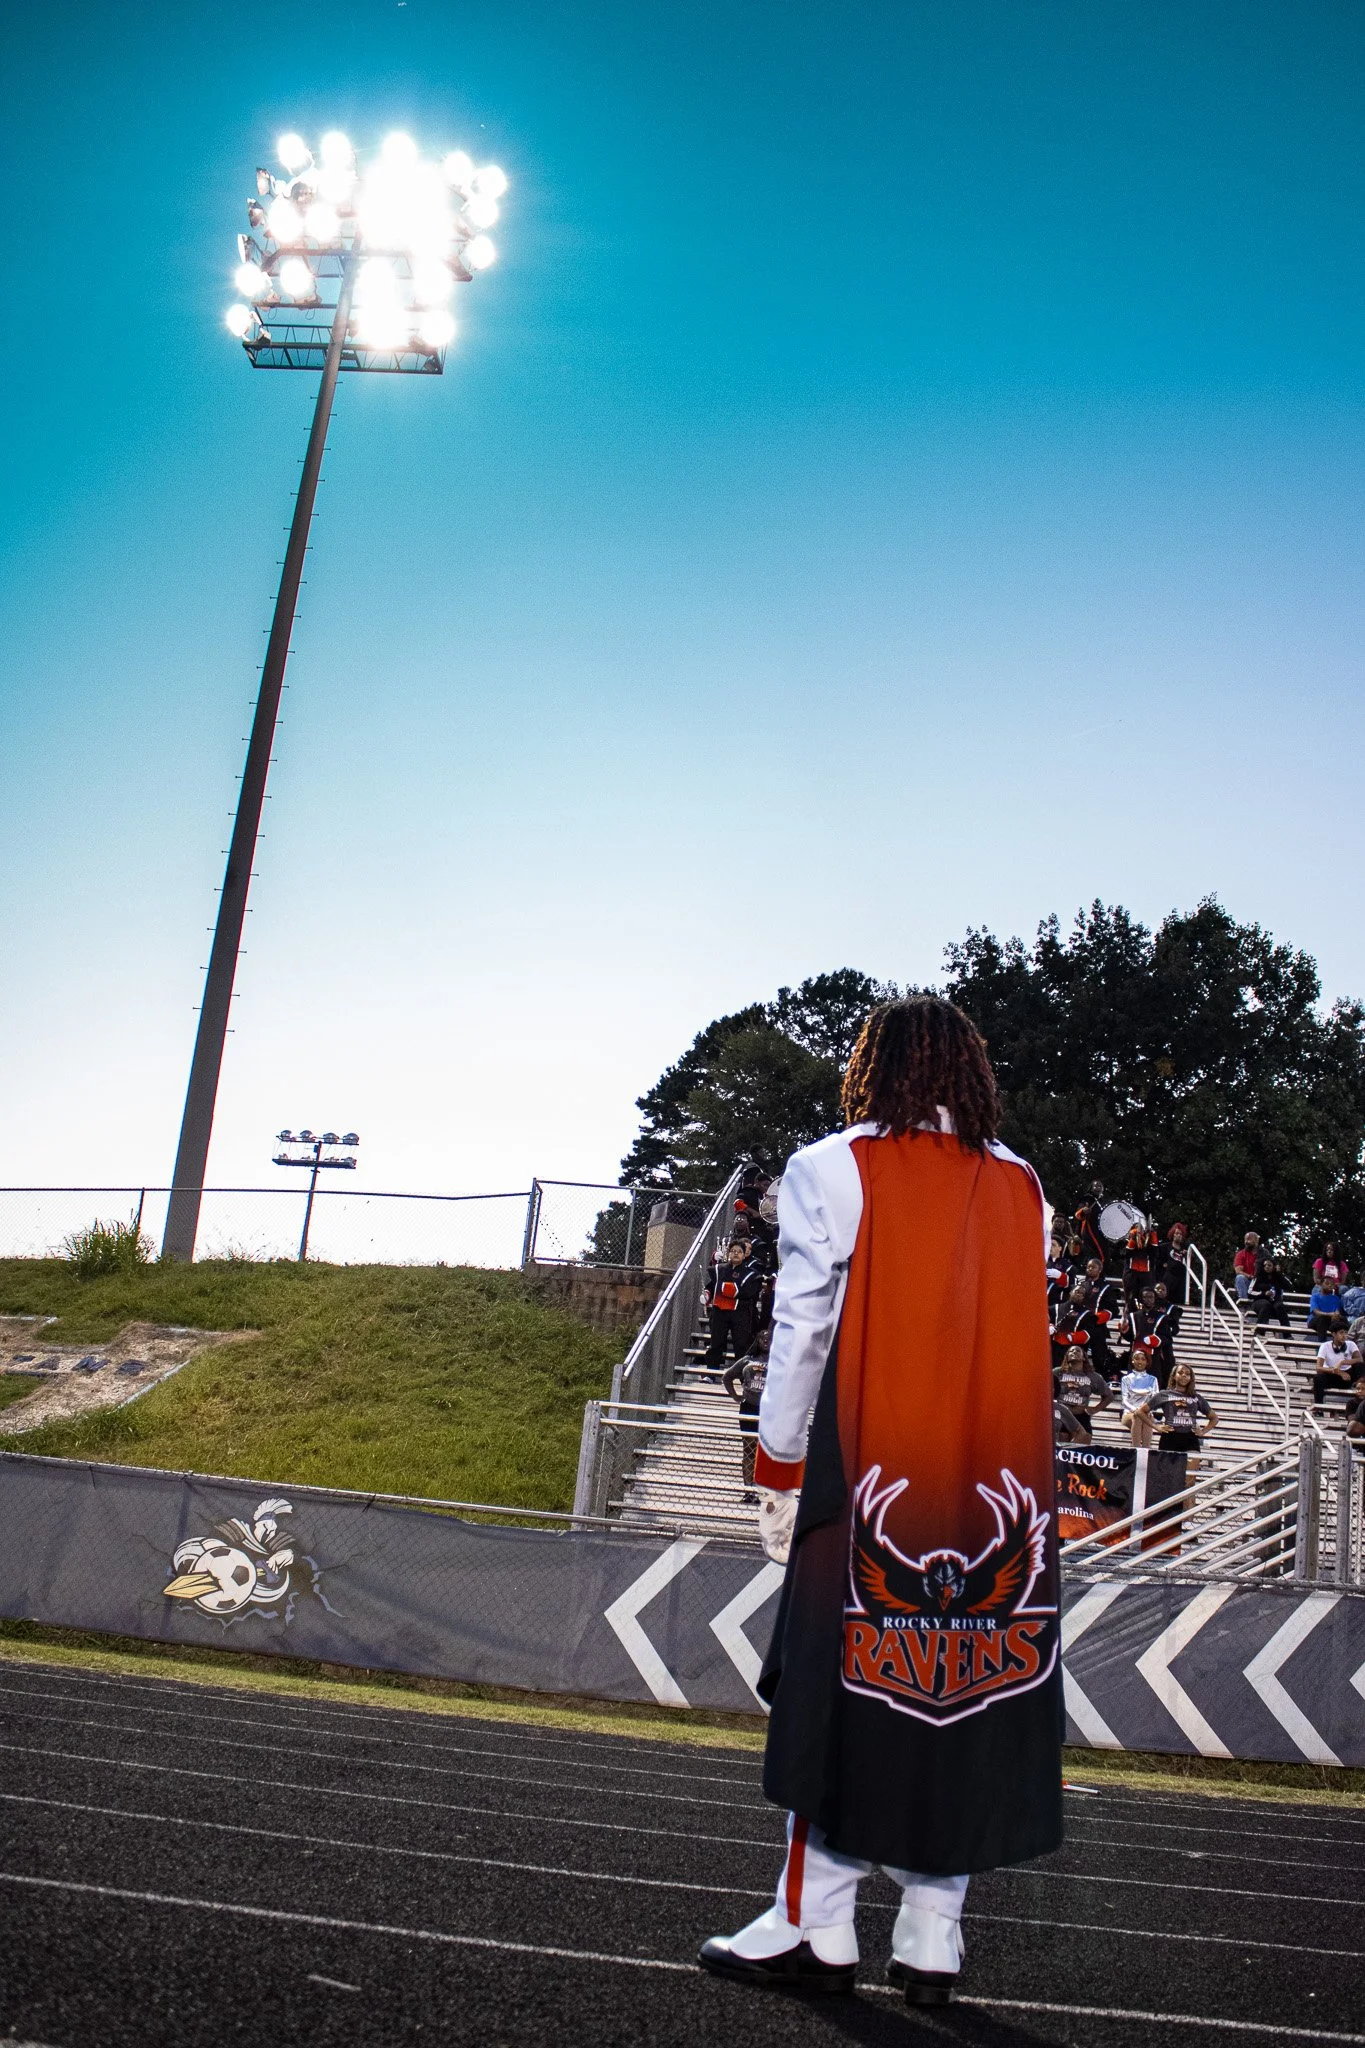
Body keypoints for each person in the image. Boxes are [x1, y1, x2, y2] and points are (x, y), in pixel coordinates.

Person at [699, 996, 1061, 2006]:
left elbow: (803, 1326)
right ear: (969, 1072)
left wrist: (775, 1462)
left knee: (840, 1692)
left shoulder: (830, 1166)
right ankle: (933, 1933)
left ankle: (815, 1924)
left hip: (873, 1468)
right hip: (997, 1475)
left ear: (875, 1066)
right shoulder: (1024, 1182)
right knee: (964, 1697)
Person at [724, 1324, 772, 1499]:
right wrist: (736, 1396)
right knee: (749, 1448)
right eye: (762, 1338)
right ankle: (748, 1490)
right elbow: (727, 1376)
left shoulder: (779, 1362)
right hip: (749, 1407)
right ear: (757, 1341)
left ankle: (764, 1490)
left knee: (767, 1450)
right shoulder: (747, 1360)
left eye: (769, 1339)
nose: (766, 1341)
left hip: (769, 1410)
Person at [704, 1239, 764, 1366]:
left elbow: (749, 1292)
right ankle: (711, 1372)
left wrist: (729, 1289)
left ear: (744, 1254)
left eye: (739, 1251)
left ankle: (742, 1376)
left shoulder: (751, 1274)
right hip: (720, 1312)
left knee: (741, 1344)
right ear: (729, 1253)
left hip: (740, 1313)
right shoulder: (720, 1269)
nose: (736, 1254)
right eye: (733, 1251)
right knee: (716, 1342)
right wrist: (707, 1294)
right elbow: (712, 1286)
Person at [1144, 1361, 1216, 1457]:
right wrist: (1156, 1427)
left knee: (1191, 1470)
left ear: (1191, 1378)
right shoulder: (1164, 1394)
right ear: (1174, 1376)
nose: (1184, 1376)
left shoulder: (1196, 1397)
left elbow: (1214, 1418)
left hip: (1190, 1438)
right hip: (1169, 1437)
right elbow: (1140, 1412)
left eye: (1187, 1374)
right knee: (1168, 1471)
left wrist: (1202, 1431)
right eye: (1180, 1373)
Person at [1053, 1344, 1112, 1442]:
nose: (1074, 1352)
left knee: (1085, 1439)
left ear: (1084, 1357)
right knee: (1063, 1438)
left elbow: (1109, 1396)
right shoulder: (1057, 1372)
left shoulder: (1093, 1376)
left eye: (1077, 1351)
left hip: (1080, 1415)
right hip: (1061, 1413)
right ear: (1066, 1357)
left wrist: (1094, 1409)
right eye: (1070, 1351)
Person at [1312, 1327, 1364, 1409]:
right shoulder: (1325, 1346)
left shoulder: (1351, 1344)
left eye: (1346, 1333)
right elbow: (1318, 1367)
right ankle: (1319, 1408)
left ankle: (1361, 1402)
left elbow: (1359, 1359)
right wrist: (1339, 1372)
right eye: (1341, 1333)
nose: (1344, 1336)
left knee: (1360, 1366)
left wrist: (1342, 1362)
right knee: (1318, 1378)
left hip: (1349, 1376)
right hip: (1333, 1376)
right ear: (1333, 1334)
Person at [1251, 1257, 1291, 1333]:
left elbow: (1289, 1286)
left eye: (1269, 1265)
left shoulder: (1278, 1277)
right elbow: (1250, 1292)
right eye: (1265, 1265)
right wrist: (1263, 1293)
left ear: (1273, 1267)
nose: (1267, 1267)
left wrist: (1279, 1274)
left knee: (1280, 1306)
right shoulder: (1257, 1277)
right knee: (1266, 1304)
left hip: (1274, 1303)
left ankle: (1287, 1334)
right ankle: (1259, 1331)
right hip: (1259, 1302)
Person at [1233, 1232, 1261, 1302]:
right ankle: (1244, 1303)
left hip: (1261, 1283)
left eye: (1249, 1239)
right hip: (1248, 1282)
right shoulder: (1241, 1254)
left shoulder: (1264, 1253)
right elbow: (1238, 1271)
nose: (1246, 1242)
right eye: (1245, 1239)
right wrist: (1250, 1276)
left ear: (1256, 1240)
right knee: (1240, 1278)